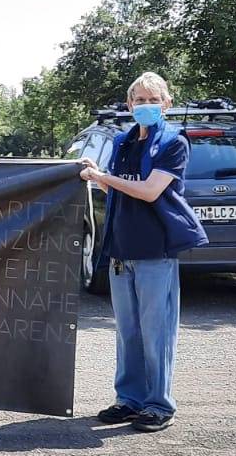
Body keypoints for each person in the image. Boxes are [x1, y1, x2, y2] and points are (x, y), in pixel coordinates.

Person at [78, 72, 208, 433]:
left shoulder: (174, 143)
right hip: (122, 250)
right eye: (139, 100)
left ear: (167, 103)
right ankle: (129, 400)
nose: (146, 105)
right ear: (129, 104)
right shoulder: (122, 141)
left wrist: (103, 178)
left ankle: (158, 405)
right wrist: (98, 174)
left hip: (155, 251)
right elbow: (116, 188)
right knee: (128, 332)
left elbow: (150, 191)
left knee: (156, 333)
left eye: (153, 100)